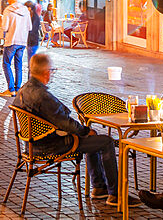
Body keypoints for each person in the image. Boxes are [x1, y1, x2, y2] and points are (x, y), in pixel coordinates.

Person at [14, 53, 141, 208]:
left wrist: (85, 132)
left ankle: (100, 186)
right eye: (52, 70)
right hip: (51, 146)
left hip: (32, 146)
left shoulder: (22, 90)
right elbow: (65, 123)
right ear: (46, 72)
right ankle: (116, 194)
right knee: (105, 141)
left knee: (92, 140)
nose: (52, 74)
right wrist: (85, 131)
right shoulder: (42, 95)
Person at [0, 0, 31, 98]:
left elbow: (4, 27)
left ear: (9, 0)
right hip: (22, 41)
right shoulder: (25, 10)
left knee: (6, 63)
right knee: (18, 64)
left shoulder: (8, 10)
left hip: (11, 41)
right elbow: (29, 27)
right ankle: (18, 89)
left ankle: (11, 89)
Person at [25, 0, 41, 65]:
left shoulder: (34, 17)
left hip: (32, 42)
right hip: (30, 41)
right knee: (30, 61)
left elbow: (32, 30)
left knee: (31, 62)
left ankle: (32, 74)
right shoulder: (31, 16)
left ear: (29, 8)